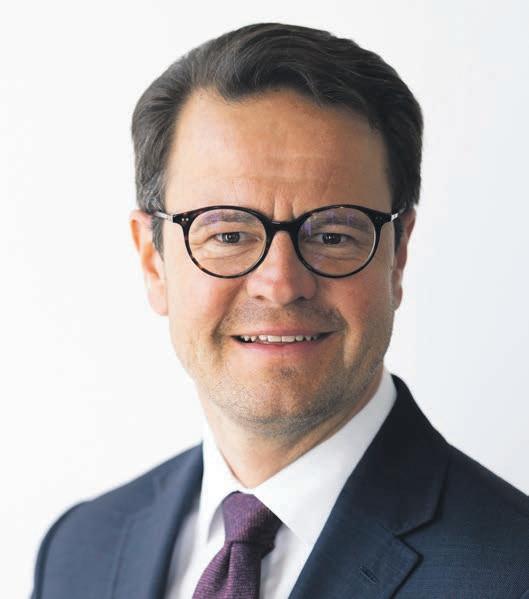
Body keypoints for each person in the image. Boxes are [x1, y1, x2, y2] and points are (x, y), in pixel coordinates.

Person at [31, 22, 529, 599]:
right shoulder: (79, 552)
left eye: (335, 235)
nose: (282, 283)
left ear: (397, 257)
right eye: (228, 234)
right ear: (153, 262)